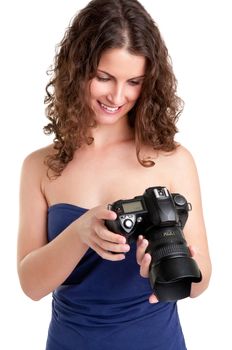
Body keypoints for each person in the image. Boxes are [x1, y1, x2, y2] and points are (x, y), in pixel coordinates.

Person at [17, 0, 211, 349]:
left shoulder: (173, 160)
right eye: (104, 77)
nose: (118, 96)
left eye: (133, 81)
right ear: (77, 70)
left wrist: (169, 261)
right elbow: (31, 286)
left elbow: (201, 284)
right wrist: (79, 232)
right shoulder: (40, 166)